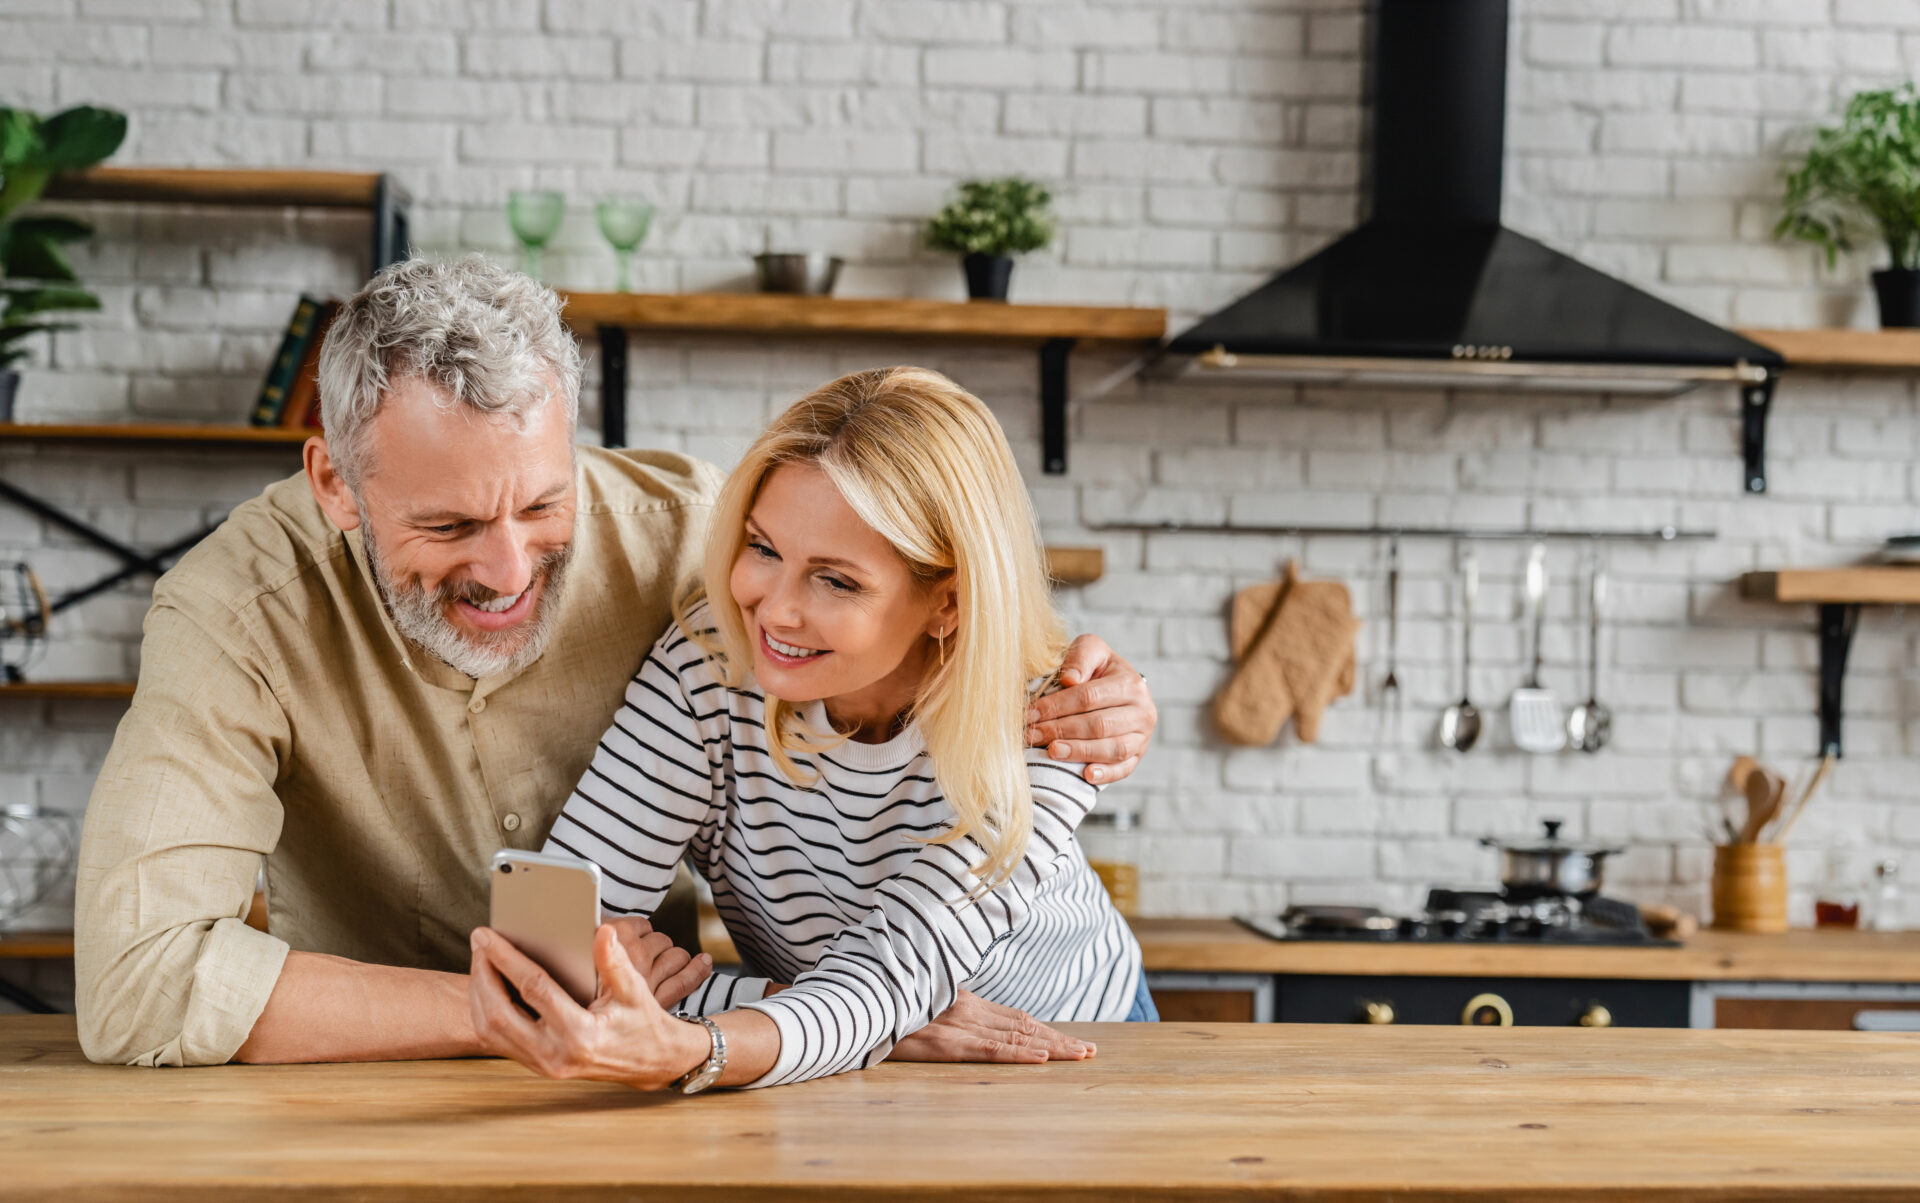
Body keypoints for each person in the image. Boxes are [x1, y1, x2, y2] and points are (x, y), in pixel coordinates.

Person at [73, 256, 1159, 1068]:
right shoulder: (236, 611)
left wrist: (1107, 706)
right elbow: (137, 986)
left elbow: (957, 616)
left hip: (1052, 1047)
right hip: (433, 1067)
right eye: (449, 525)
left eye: (546, 504)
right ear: (336, 485)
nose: (507, 570)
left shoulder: (702, 547)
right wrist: (578, 1005)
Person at [467, 366, 1151, 1094]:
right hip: (818, 1055)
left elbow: (894, 971)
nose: (774, 609)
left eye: (836, 580)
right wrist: (845, 1020)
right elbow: (549, 950)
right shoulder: (710, 659)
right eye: (763, 548)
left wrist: (695, 1040)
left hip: (1070, 1051)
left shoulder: (1046, 722)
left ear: (947, 603)